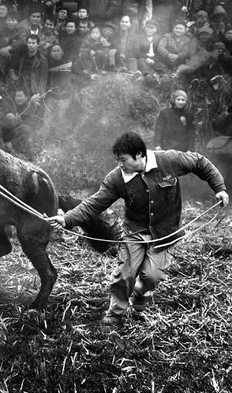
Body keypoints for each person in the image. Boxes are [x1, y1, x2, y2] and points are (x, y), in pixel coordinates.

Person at [49, 132, 228, 326]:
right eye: (117, 160)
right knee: (124, 274)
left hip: (165, 232)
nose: (120, 164)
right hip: (134, 231)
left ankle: (140, 293)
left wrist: (219, 187)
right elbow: (94, 203)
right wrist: (67, 218)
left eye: (123, 160)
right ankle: (115, 313)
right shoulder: (117, 178)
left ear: (140, 155)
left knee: (153, 276)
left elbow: (199, 162)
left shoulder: (169, 160)